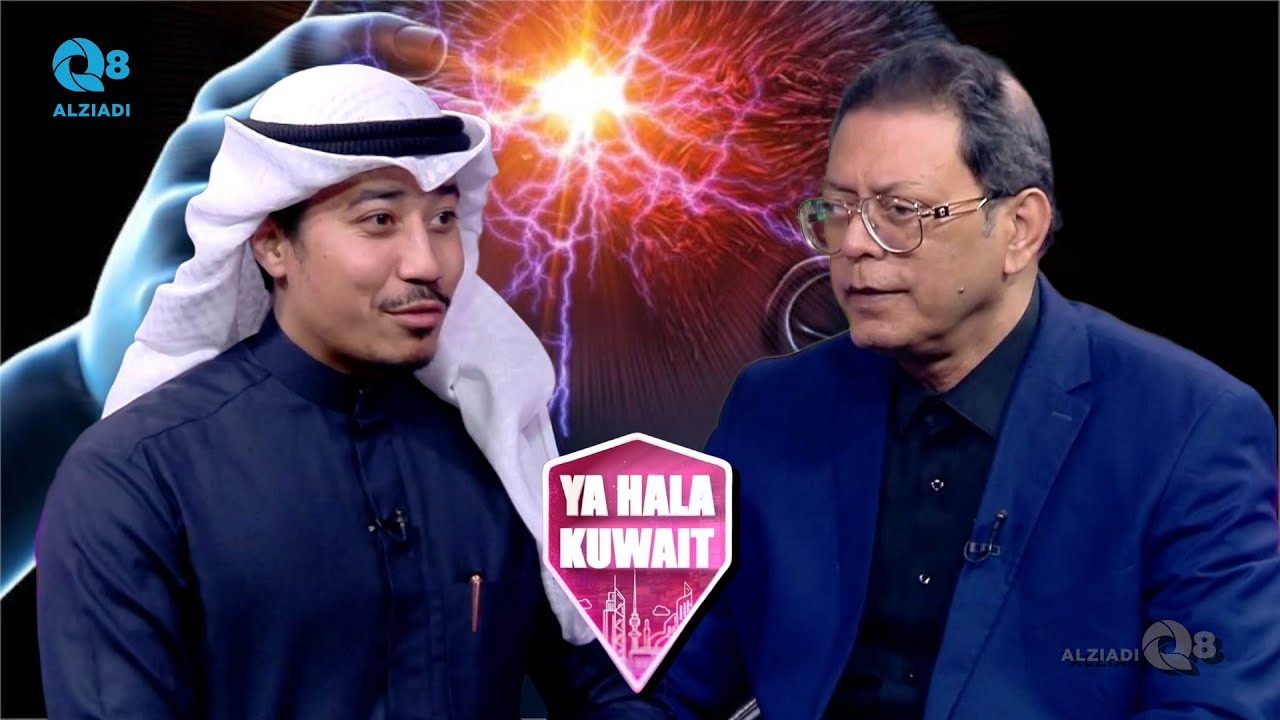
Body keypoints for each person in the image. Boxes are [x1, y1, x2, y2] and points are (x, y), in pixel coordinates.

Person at [657, 38, 1280, 720]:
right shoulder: (771, 408)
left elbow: (1213, 706)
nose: (855, 245)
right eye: (837, 210)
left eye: (901, 212)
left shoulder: (1189, 429)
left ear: (1019, 228)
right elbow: (660, 678)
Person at [35, 63, 669, 720]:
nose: (427, 263)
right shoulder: (136, 475)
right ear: (272, 244)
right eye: (379, 220)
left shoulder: (501, 443)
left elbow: (606, 685)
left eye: (443, 218)